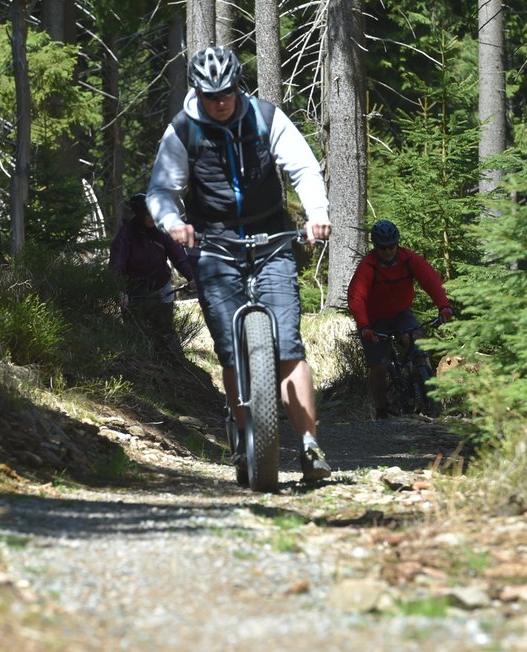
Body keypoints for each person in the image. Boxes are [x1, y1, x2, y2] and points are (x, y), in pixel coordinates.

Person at [145, 45, 332, 482]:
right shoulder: (182, 131)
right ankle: (248, 443)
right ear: (198, 93)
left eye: (227, 92)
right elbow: (160, 192)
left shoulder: (266, 118)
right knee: (230, 350)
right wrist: (173, 224)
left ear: (237, 86)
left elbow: (303, 168)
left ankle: (309, 445)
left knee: (288, 344)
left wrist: (318, 214)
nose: (220, 101)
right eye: (211, 95)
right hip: (214, 245)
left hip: (272, 238)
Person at [347, 219, 454, 419]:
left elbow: (430, 280)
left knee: (419, 348)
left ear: (397, 243)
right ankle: (381, 410)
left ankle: (425, 393)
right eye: (382, 247)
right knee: (378, 367)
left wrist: (444, 306)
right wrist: (364, 326)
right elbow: (356, 297)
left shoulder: (408, 259)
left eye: (391, 246)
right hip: (374, 320)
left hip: (401, 313)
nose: (388, 251)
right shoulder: (368, 266)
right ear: (375, 247)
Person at [109, 192, 196, 349]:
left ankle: (177, 365)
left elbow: (179, 257)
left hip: (162, 289)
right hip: (134, 293)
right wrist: (119, 291)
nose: (153, 217)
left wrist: (192, 277)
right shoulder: (126, 235)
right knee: (136, 336)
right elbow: (117, 263)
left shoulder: (163, 232)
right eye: (148, 213)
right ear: (139, 213)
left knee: (167, 333)